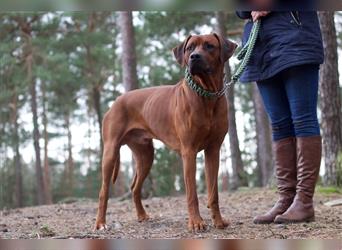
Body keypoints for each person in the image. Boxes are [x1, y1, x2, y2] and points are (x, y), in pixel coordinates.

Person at [236, 11, 324, 224]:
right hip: (261, 47)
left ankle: (303, 201)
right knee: (279, 125)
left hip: (295, 37)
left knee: (303, 119)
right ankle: (286, 199)